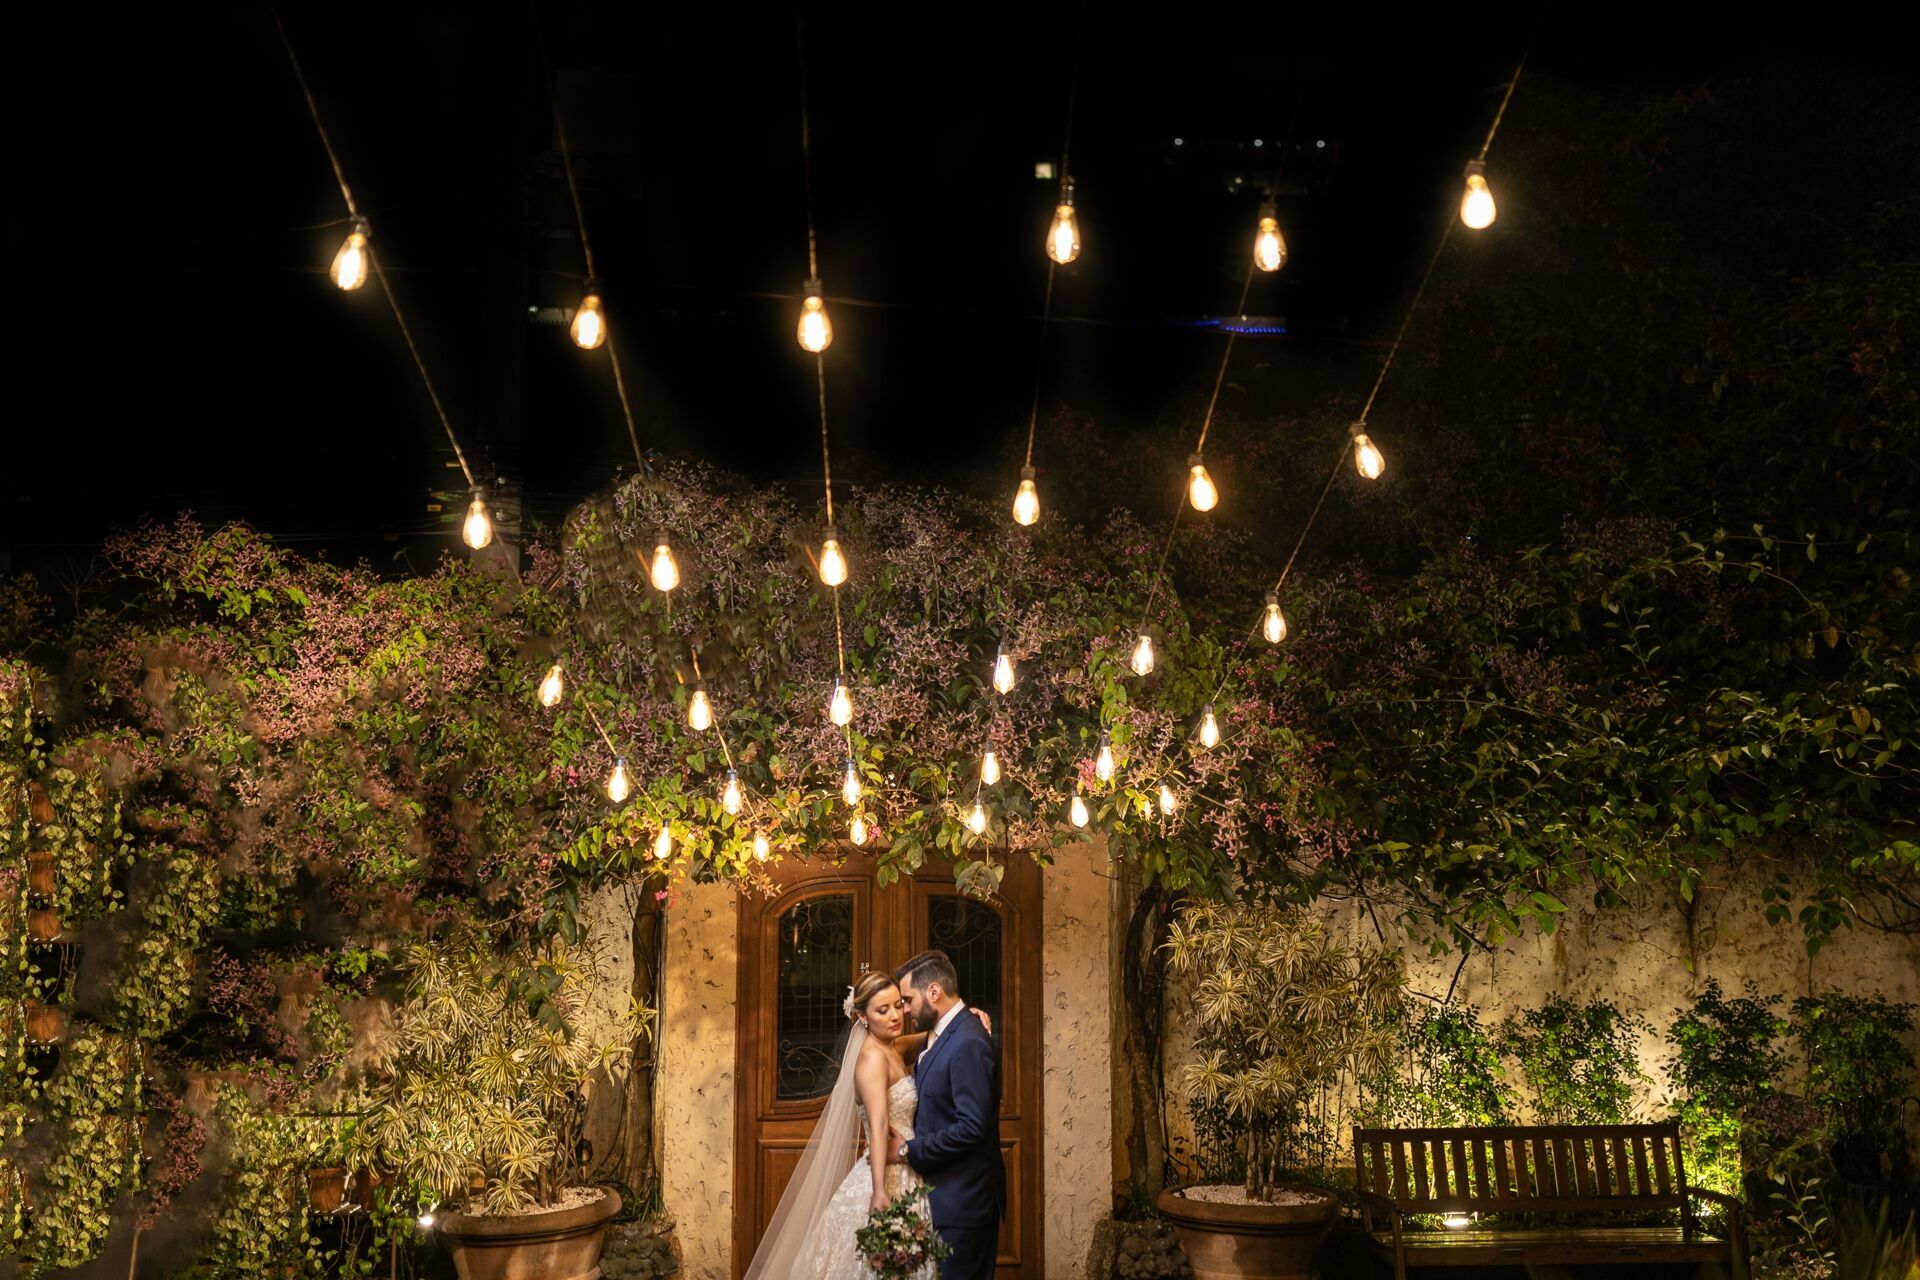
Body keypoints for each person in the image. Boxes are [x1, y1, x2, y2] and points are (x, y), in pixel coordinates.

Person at [741, 967, 990, 1279]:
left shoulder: (895, 1046)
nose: (895, 1016)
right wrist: (878, 1192)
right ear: (862, 1017)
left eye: (899, 1005)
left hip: (913, 1167)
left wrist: (969, 1017)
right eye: (882, 1010)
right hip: (887, 1172)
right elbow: (879, 1124)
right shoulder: (872, 1058)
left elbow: (940, 1035)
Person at [890, 949, 1004, 1280]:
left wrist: (908, 1150)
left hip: (964, 1203)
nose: (906, 1009)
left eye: (908, 1000)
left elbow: (972, 1128)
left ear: (934, 992)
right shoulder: (940, 1033)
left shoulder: (968, 1041)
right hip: (943, 1199)